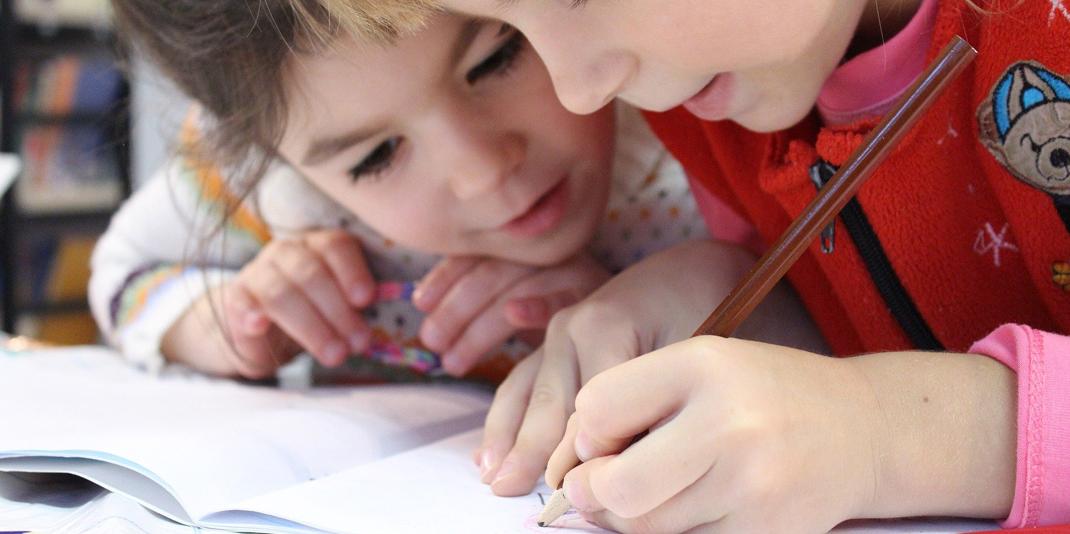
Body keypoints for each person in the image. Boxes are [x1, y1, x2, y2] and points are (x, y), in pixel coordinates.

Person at [324, 0, 1070, 531]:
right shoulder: (710, 100)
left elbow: (878, 405)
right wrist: (726, 290)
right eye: (518, 26)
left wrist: (887, 436)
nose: (580, 90)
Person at [90, 2, 823, 387]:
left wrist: (677, 311)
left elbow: (838, 343)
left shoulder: (697, 107)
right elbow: (122, 272)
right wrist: (226, 324)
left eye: (498, 57)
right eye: (376, 157)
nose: (482, 171)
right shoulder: (272, 194)